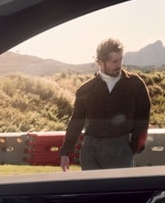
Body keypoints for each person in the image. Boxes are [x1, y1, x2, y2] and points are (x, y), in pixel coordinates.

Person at [59, 38, 150, 170]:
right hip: (90, 150)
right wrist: (65, 152)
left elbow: (143, 116)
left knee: (121, 190)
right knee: (93, 191)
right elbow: (76, 122)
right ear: (101, 62)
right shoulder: (86, 89)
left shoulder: (135, 84)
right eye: (114, 61)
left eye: (120, 60)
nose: (118, 65)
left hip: (120, 149)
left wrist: (134, 146)